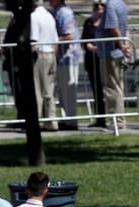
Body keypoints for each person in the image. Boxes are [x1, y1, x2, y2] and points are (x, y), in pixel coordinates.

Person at [94, 0, 130, 129]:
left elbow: (114, 28)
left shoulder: (111, 5)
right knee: (117, 86)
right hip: (114, 52)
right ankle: (118, 119)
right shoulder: (121, 3)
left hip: (110, 52)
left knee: (111, 87)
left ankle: (117, 120)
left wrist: (122, 46)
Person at [50, 0, 80, 130]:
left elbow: (69, 36)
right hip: (61, 58)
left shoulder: (64, 13)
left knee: (69, 91)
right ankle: (66, 119)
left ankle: (71, 121)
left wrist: (53, 40)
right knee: (63, 92)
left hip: (69, 58)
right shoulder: (57, 12)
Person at [29, 0, 58, 128]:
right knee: (49, 90)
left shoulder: (34, 16)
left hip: (40, 54)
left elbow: (34, 39)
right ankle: (51, 121)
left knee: (38, 90)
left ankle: (37, 120)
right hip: (51, 53)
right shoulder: (49, 15)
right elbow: (56, 39)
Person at [82, 2, 107, 125]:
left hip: (103, 59)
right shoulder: (89, 22)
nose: (99, 10)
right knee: (96, 90)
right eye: (96, 8)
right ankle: (100, 118)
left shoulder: (107, 23)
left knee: (107, 89)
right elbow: (83, 39)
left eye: (101, 8)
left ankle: (111, 115)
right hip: (91, 60)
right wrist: (88, 45)